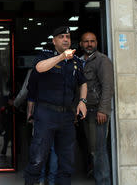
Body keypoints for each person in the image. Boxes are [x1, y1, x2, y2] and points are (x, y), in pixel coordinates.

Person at [24, 26, 88, 185]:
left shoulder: (76, 61)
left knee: (66, 161)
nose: (66, 39)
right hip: (46, 114)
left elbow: (83, 83)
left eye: (68, 36)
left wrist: (82, 101)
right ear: (54, 41)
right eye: (61, 37)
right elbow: (39, 68)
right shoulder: (45, 56)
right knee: (37, 158)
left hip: (67, 116)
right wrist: (61, 58)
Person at [79, 32, 114, 185]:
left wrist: (103, 110)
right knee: (92, 150)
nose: (89, 44)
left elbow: (108, 86)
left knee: (99, 151)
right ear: (81, 44)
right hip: (85, 112)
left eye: (92, 41)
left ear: (97, 43)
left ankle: (104, 182)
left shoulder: (102, 60)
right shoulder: (79, 61)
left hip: (97, 112)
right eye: (86, 41)